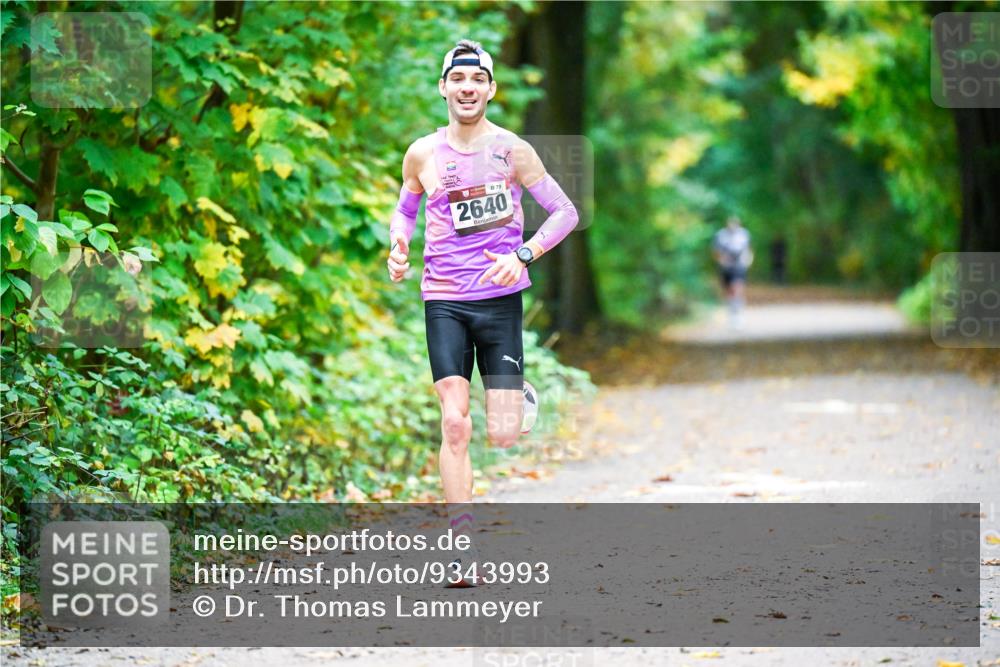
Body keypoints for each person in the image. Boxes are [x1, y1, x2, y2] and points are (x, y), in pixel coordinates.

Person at [385, 39, 578, 585]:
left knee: (504, 434)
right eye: (458, 79)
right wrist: (399, 245)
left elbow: (564, 212)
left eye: (477, 80)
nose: (467, 88)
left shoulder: (513, 151)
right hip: (444, 297)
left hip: (499, 300)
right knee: (454, 422)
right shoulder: (422, 153)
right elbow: (404, 211)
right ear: (443, 87)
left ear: (491, 89)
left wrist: (522, 255)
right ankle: (461, 544)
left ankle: (516, 397)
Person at [712, 216, 753, 329]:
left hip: (739, 266)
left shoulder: (744, 235)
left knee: (737, 287)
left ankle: (738, 313)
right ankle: (731, 312)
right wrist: (722, 260)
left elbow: (749, 249)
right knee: (728, 290)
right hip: (726, 268)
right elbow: (716, 251)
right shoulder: (721, 236)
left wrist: (748, 261)